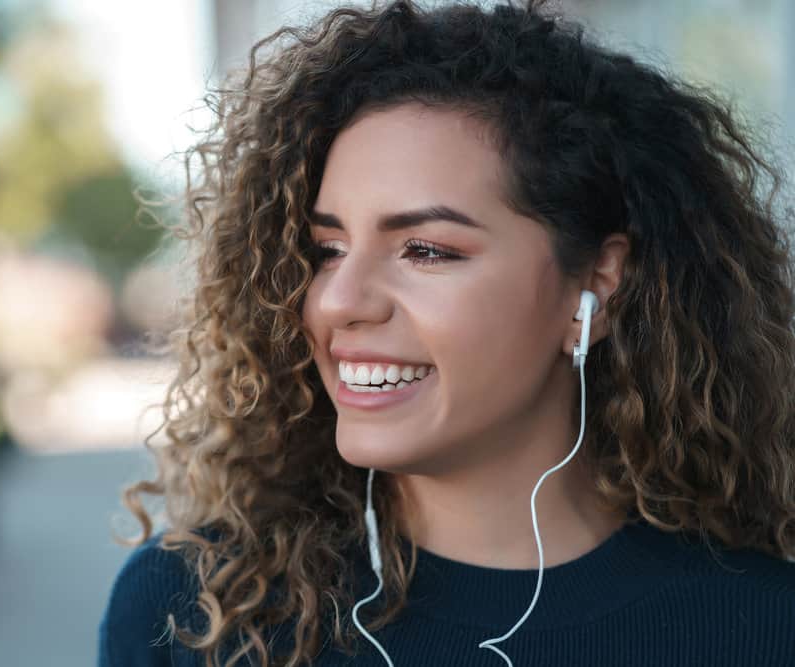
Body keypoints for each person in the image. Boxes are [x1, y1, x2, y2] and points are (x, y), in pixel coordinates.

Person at [98, 1, 795, 665]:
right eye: (326, 250)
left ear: (600, 282)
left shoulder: (763, 629)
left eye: (426, 250)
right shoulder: (196, 612)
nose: (340, 301)